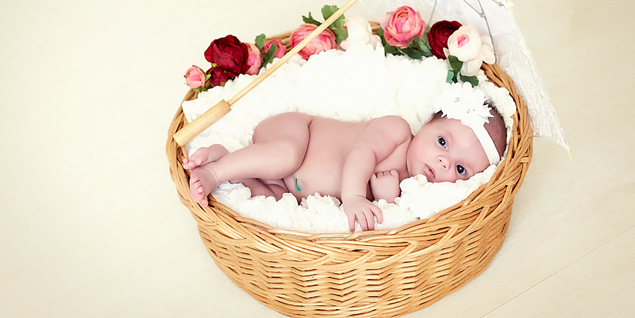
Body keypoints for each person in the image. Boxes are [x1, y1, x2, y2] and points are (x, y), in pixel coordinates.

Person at [185, 84, 507, 231]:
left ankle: (229, 161)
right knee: (285, 156)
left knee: (270, 198)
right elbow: (361, 153)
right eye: (442, 142)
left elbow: (381, 220)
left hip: (288, 187)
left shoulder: (412, 197)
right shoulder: (396, 132)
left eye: (461, 169)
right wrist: (354, 197)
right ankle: (216, 172)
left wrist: (386, 200)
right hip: (299, 135)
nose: (444, 163)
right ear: (425, 126)